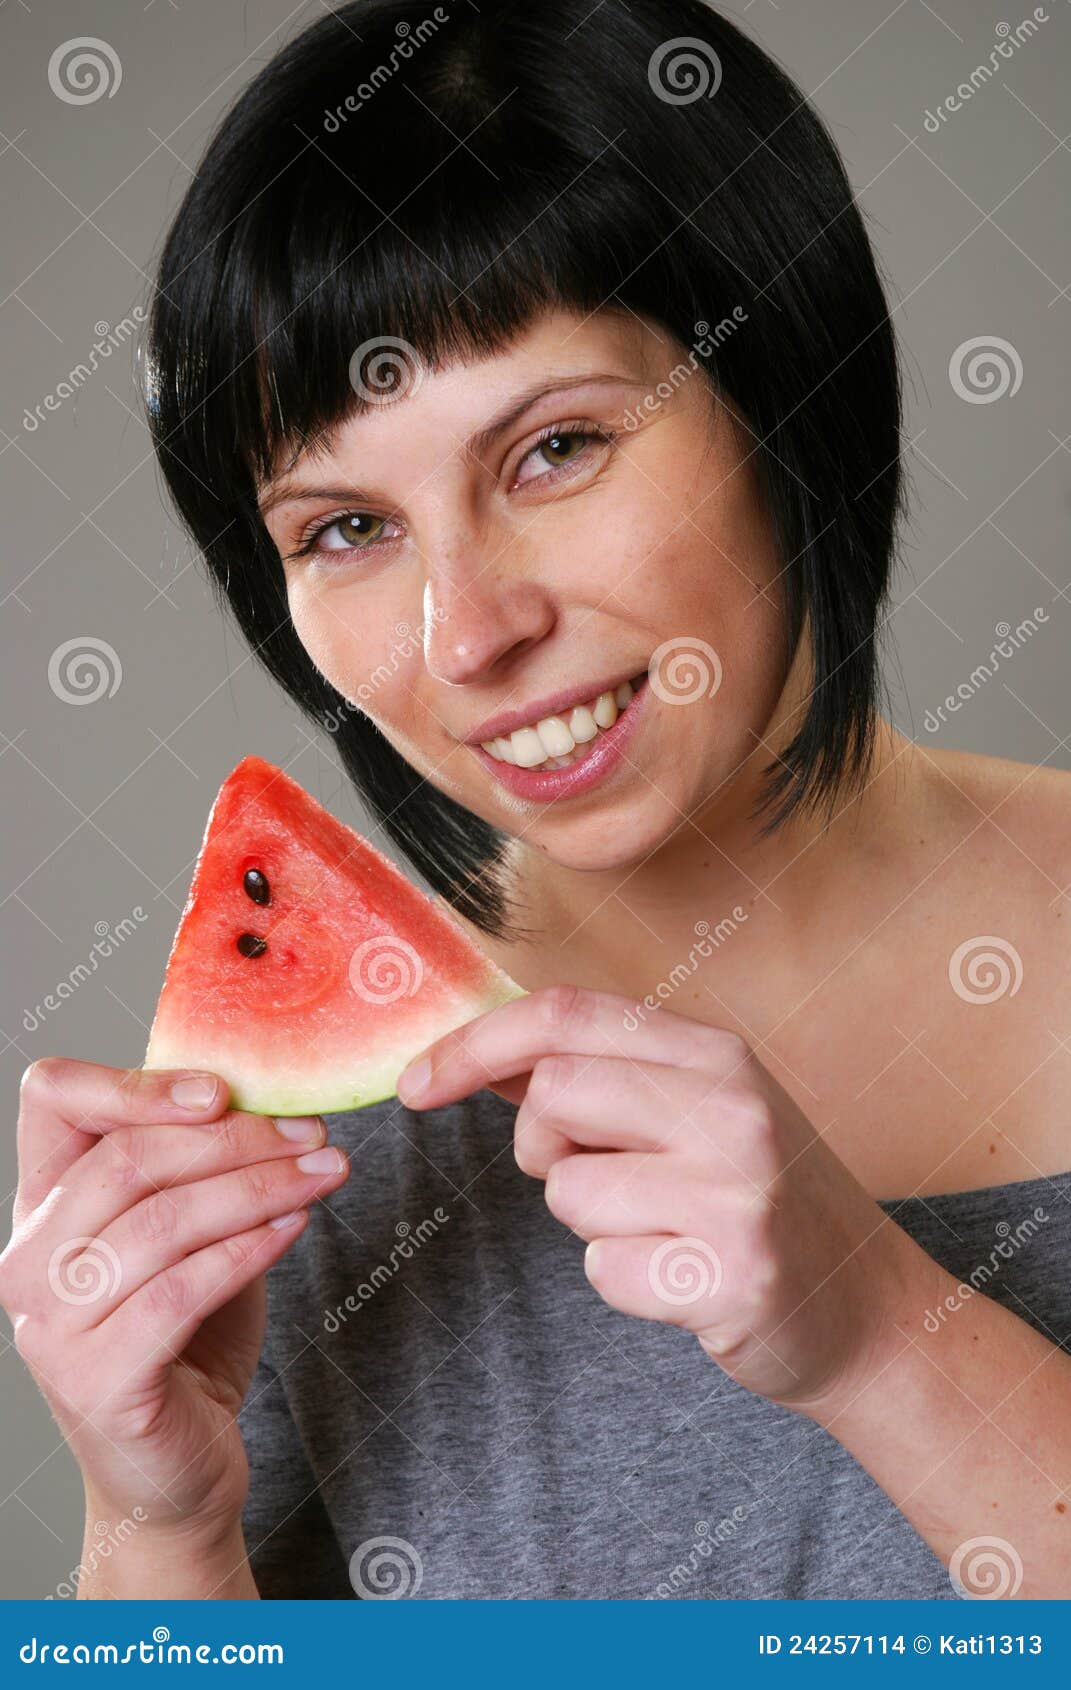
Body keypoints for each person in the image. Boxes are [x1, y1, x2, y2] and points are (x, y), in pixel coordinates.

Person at [4, 0, 1069, 1600]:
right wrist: (157, 1525)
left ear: (785, 392)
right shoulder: (308, 1143)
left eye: (557, 447)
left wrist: (879, 1333)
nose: (469, 632)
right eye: (345, 529)